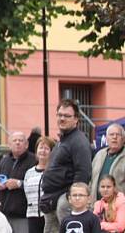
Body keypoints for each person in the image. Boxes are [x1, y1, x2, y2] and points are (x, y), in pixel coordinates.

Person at [42, 99, 93, 233]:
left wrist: (72, 197)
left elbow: (83, 173)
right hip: (51, 199)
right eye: (59, 115)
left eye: (67, 116)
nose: (62, 118)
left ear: (76, 119)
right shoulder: (63, 140)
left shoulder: (79, 142)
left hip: (64, 201)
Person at [0, 131, 37, 233]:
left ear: (26, 144)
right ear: (9, 144)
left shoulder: (33, 160)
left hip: (23, 213)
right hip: (4, 212)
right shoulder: (5, 160)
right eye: (14, 140)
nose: (17, 143)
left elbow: (38, 184)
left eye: (21, 140)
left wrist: (20, 184)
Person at [24, 136, 56, 233]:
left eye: (47, 148)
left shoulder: (54, 171)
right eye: (40, 148)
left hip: (49, 215)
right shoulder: (29, 172)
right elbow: (26, 192)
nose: (43, 151)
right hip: (32, 214)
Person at [91, 123, 124, 198]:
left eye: (118, 135)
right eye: (111, 134)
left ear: (123, 139)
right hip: (96, 205)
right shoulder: (99, 154)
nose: (114, 137)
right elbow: (91, 179)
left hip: (118, 206)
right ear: (106, 138)